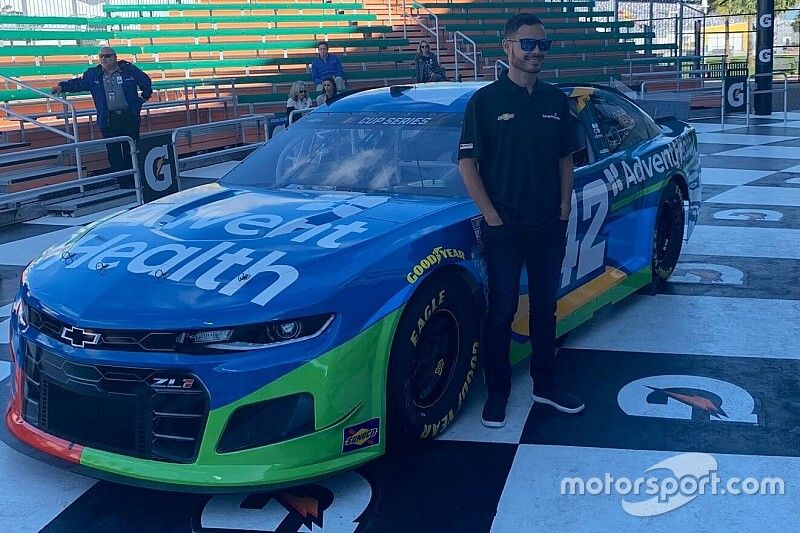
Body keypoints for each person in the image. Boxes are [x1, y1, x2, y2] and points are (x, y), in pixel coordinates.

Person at [457, 13, 582, 428]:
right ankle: (498, 393)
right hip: (504, 229)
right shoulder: (485, 101)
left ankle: (546, 385)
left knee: (546, 309)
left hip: (548, 225)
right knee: (502, 311)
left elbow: (566, 158)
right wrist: (491, 216)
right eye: (528, 44)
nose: (536, 52)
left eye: (543, 45)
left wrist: (563, 208)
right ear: (507, 47)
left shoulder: (554, 100)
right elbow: (467, 164)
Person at [51, 46, 151, 185]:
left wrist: (143, 99)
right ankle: (123, 181)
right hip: (108, 118)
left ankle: (136, 179)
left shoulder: (128, 70)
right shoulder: (94, 74)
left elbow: (145, 81)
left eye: (107, 56)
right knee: (113, 151)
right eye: (101, 56)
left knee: (132, 148)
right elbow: (79, 83)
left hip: (129, 116)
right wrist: (62, 86)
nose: (104, 59)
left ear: (115, 57)